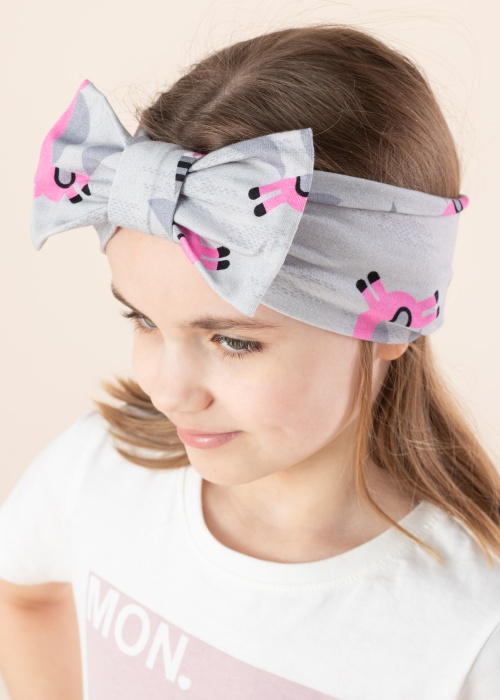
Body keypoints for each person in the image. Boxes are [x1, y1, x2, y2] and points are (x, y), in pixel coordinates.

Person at [0, 23, 499, 700]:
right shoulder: (98, 470)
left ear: (390, 322)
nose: (169, 391)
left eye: (233, 341)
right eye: (143, 320)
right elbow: (22, 596)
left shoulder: (473, 626)